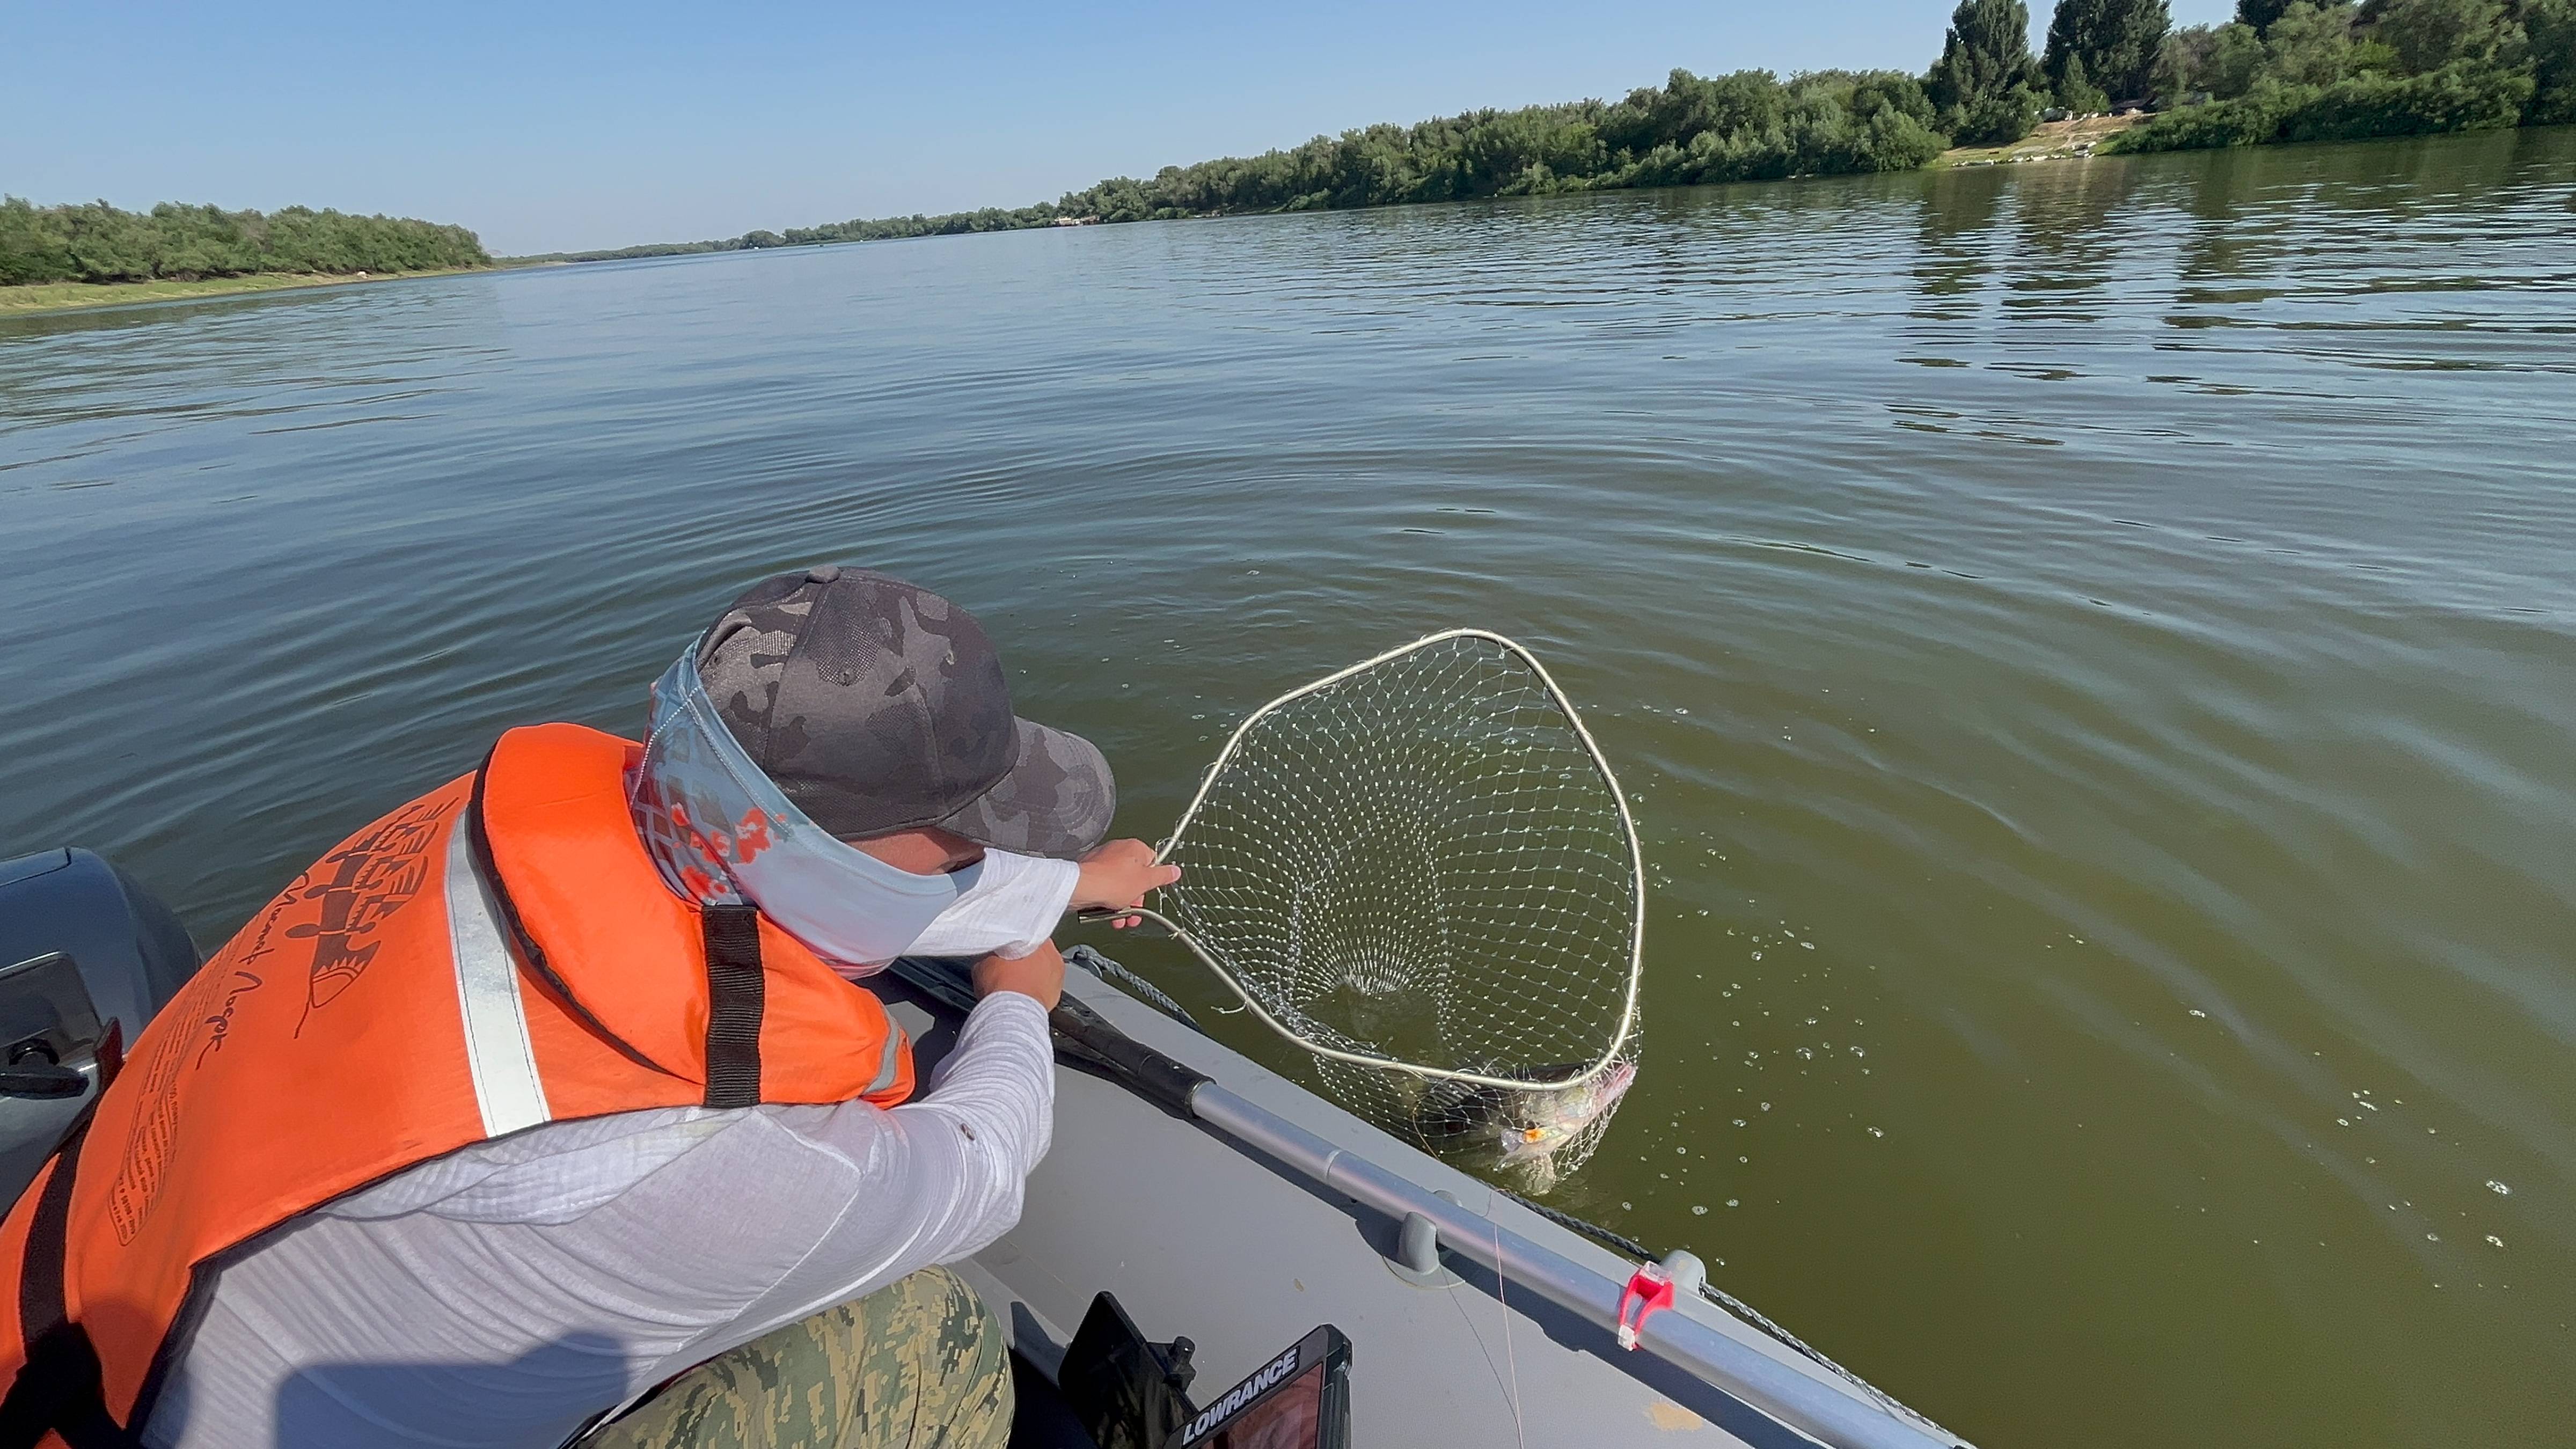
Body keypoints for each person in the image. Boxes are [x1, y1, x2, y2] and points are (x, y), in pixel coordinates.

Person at [0, 565, 1179, 1449]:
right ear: (834, 863)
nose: (983, 857)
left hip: (47, 1351)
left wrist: (1069, 883)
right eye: (968, 841)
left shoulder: (476, 831)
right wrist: (1020, 998)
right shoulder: (735, 1161)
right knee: (936, 1337)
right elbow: (978, 1167)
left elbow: (809, 883)